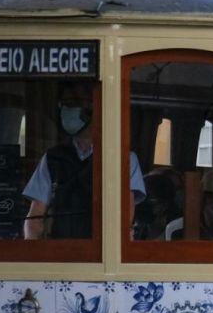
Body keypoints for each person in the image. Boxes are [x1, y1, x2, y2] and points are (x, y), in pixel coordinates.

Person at [23, 84, 145, 240]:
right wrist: (31, 247)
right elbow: (35, 217)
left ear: (92, 109)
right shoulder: (53, 158)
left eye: (72, 103)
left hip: (103, 250)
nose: (66, 110)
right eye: (63, 105)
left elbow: (124, 217)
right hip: (61, 248)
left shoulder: (123, 159)